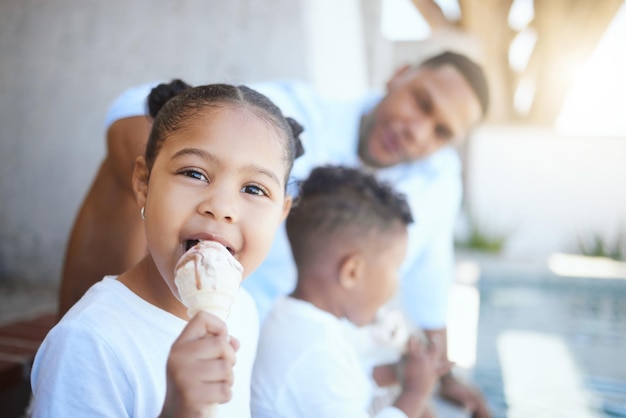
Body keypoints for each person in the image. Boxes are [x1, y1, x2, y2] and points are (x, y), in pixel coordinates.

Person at [58, 51, 491, 416]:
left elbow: (430, 277)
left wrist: (441, 372)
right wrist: (178, 191)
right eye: (422, 102)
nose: (418, 130)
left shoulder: (438, 177)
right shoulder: (296, 111)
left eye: (441, 131)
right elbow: (134, 109)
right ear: (400, 75)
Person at [31, 81, 304, 417]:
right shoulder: (90, 341)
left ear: (281, 214)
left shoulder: (243, 310)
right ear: (143, 184)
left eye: (253, 188)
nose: (221, 207)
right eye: (194, 173)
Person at [251, 164, 451, 418]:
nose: (397, 283)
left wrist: (396, 372)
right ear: (352, 272)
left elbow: (347, 374)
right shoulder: (317, 352)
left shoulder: (295, 319)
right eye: (396, 269)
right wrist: (415, 393)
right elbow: (331, 376)